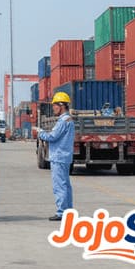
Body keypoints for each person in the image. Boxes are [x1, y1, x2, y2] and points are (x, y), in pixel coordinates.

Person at [38, 91, 76, 221]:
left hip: (59, 157)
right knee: (65, 185)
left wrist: (40, 133)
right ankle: (68, 211)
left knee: (59, 186)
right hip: (64, 156)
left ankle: (62, 212)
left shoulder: (63, 121)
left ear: (61, 105)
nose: (53, 108)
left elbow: (52, 137)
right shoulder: (68, 119)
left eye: (55, 105)